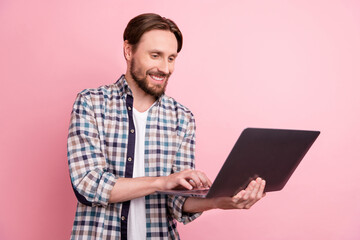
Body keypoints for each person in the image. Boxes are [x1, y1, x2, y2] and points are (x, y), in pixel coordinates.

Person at [67, 13, 266, 240]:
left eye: (171, 58)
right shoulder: (91, 103)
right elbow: (88, 185)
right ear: (128, 51)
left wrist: (220, 201)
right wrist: (162, 182)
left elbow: (177, 202)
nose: (165, 68)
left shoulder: (182, 118)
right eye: (155, 55)